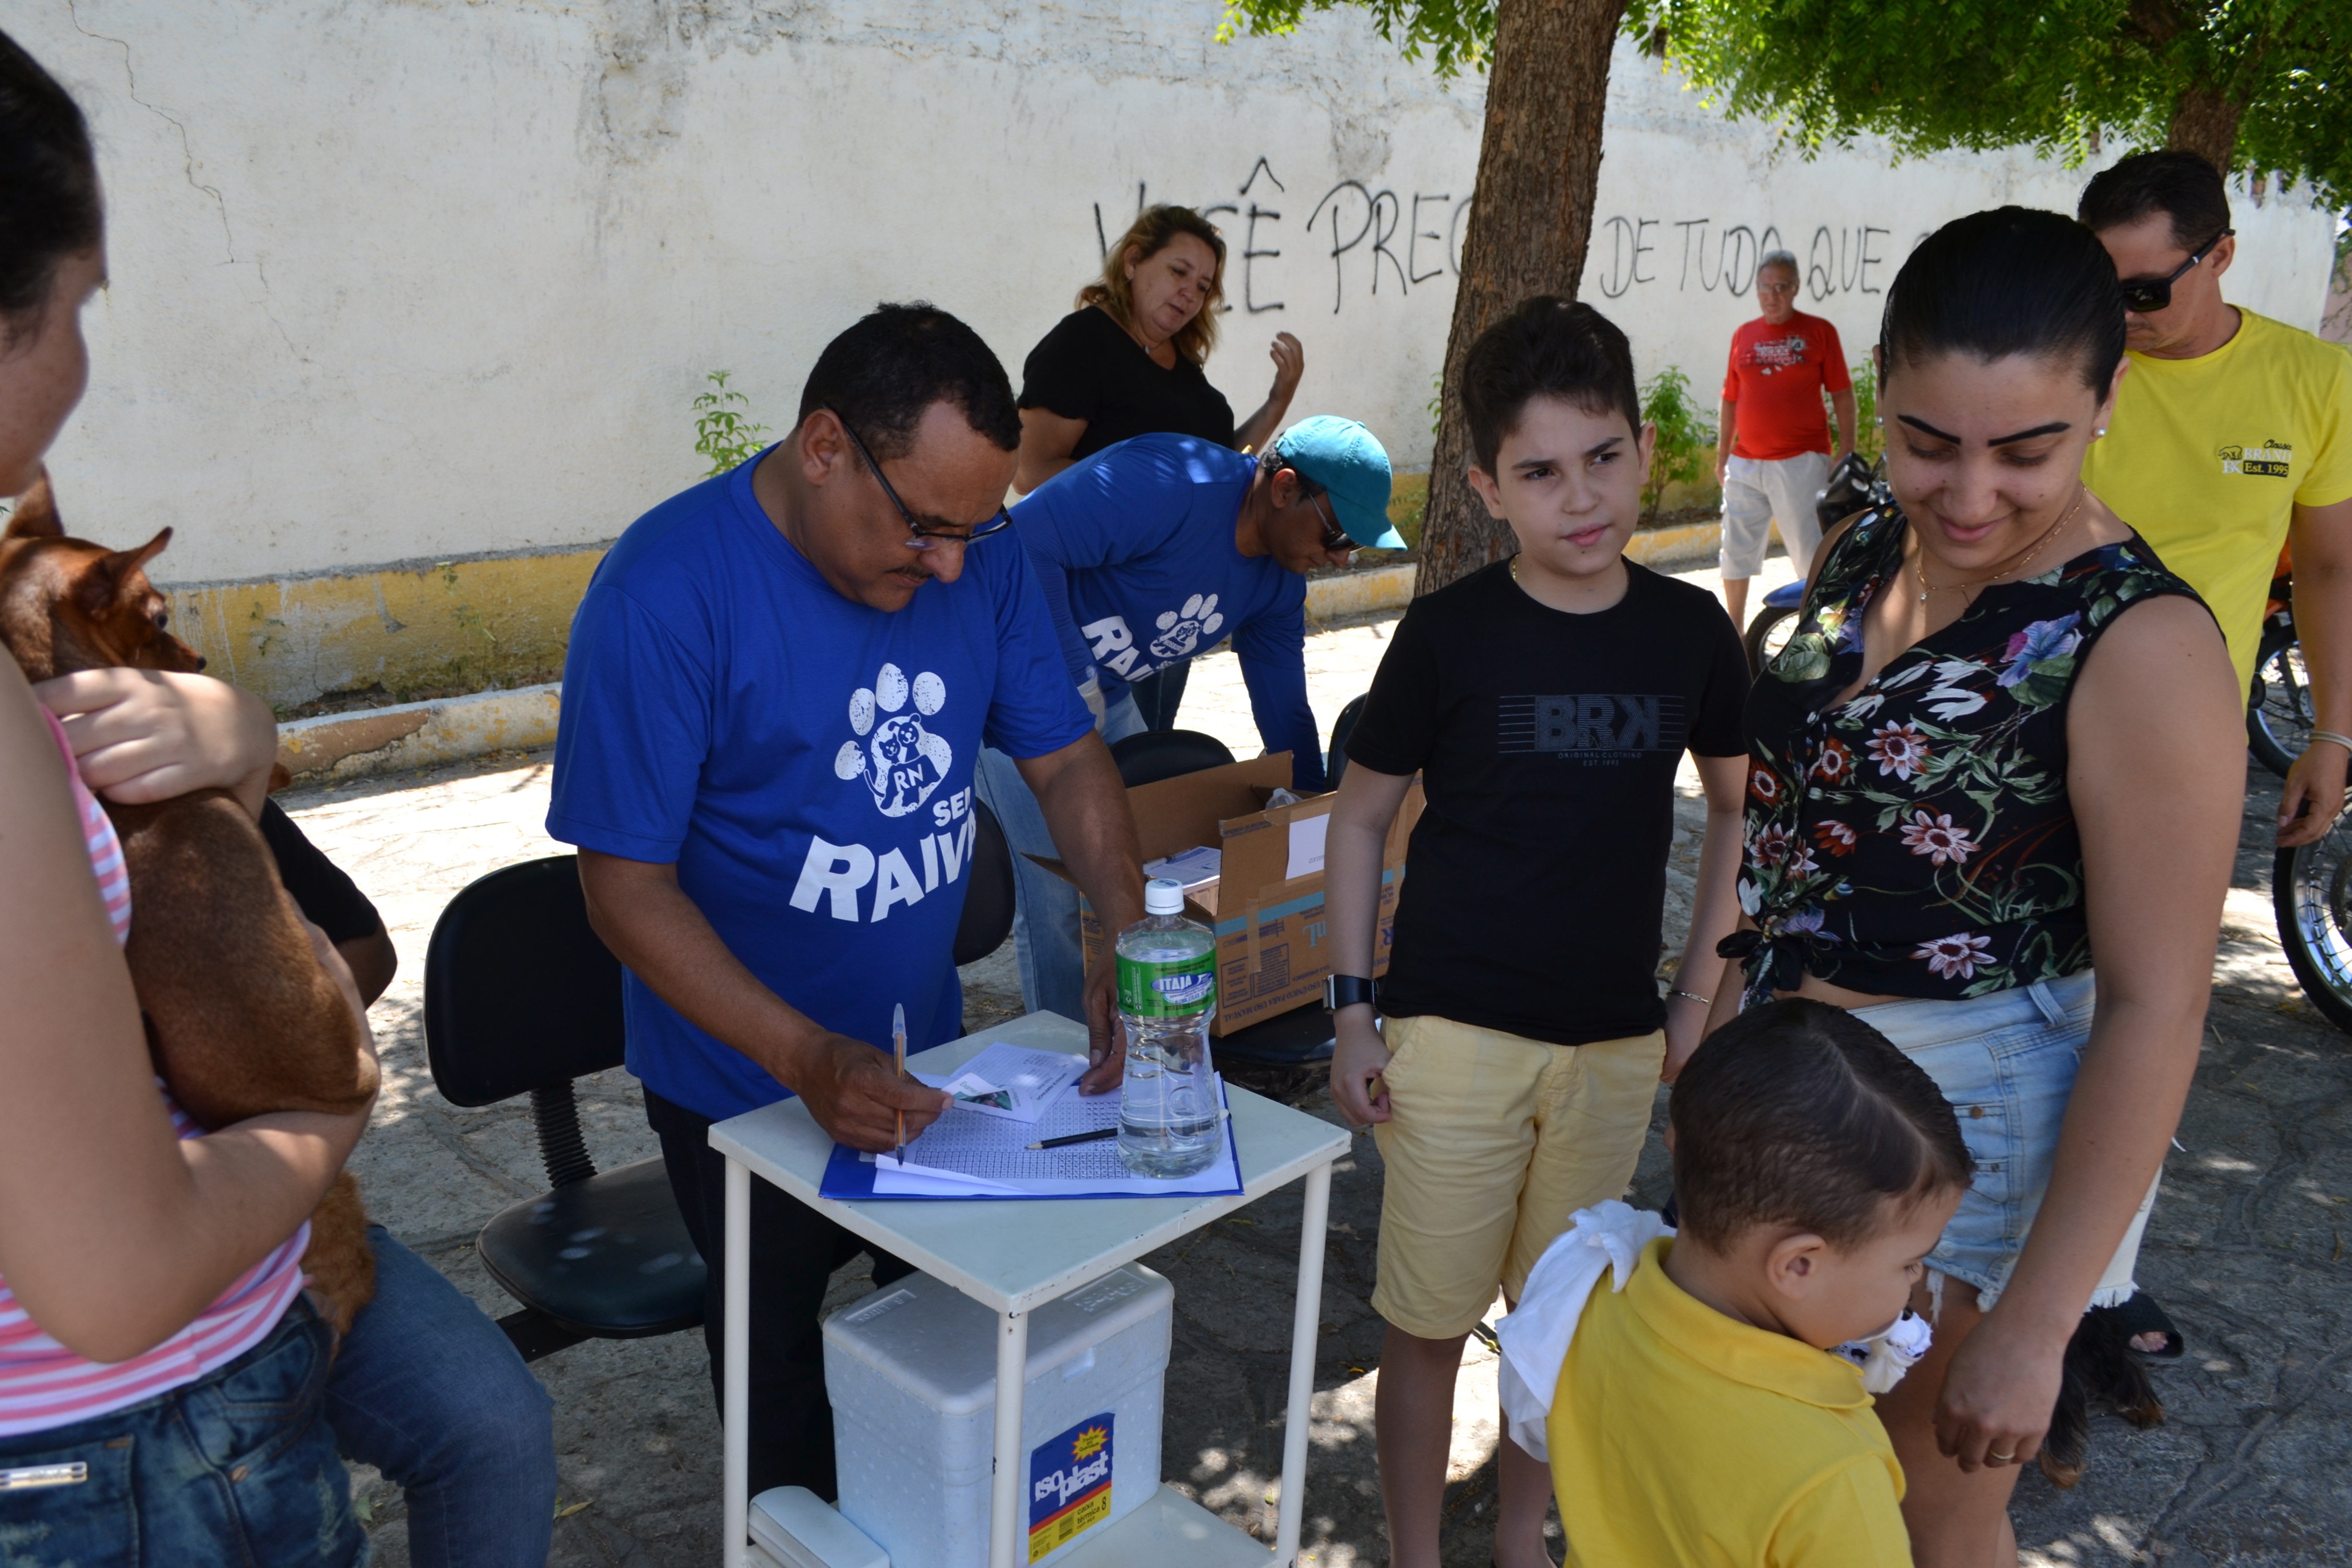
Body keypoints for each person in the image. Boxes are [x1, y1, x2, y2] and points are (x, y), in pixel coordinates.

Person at [547, 302, 1147, 1500]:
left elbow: (1067, 759)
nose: (947, 565)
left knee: (942, 1365)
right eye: (923, 524)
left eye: (974, 531)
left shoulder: (981, 557)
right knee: (779, 1400)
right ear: (824, 444)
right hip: (737, 1085)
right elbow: (622, 887)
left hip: (921, 1058)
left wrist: (1117, 922)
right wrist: (801, 1054)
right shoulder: (664, 590)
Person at [1723, 207, 2242, 1565]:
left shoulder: (2139, 644)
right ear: (1880, 390)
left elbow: (2157, 1008)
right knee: (1793, 1485)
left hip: (1970, 1143)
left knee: (1924, 1517)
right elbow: (1794, 813)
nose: (1966, 496)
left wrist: (2037, 1320)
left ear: (2110, 398)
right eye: (1925, 441)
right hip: (1784, 1085)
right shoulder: (1864, 543)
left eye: (2028, 451)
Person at [0, 31, 371, 1561]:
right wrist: (328, 1106)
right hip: (124, 1460)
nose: (83, 362)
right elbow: (113, 1276)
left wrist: (241, 728)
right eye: (79, 306)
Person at [1321, 297, 1750, 1568]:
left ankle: (1521, 1541)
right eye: (1542, 471)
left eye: (1605, 456)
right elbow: (1358, 824)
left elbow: (1736, 807)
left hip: (1615, 1045)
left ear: (1643, 448)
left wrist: (1697, 1000)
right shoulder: (1449, 634)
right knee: (1426, 1321)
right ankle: (1415, 1553)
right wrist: (1352, 1007)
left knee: (1560, 1324)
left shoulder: (1691, 633)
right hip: (1449, 1037)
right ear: (1486, 485)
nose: (1583, 497)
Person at [1503, 999, 1970, 1565]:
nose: (1917, 1279)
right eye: (1909, 1263)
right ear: (1798, 1266)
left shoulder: (1590, 1293)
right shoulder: (1832, 1478)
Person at [979, 418, 1398, 1022]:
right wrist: (1073, 680)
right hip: (1015, 685)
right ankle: (1065, 1055)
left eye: (1354, 547)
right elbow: (1020, 545)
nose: (1339, 558)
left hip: (1106, 692)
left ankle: (1133, 1036)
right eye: (1336, 534)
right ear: (1283, 488)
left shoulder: (1278, 583)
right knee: (1058, 892)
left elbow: (1283, 710)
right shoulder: (1168, 483)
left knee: (1139, 876)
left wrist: (1311, 810)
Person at [258, 801, 562, 1568]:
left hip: (277, 1216)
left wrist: (278, 1041)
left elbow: (360, 947)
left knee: (493, 1421)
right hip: (101, 1280)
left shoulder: (171, 782)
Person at [2078, 150, 2352, 854]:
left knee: (2156, 963)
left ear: (2220, 255)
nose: (2119, 313)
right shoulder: (2064, 364)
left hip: (2190, 742)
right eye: (2097, 287)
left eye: (2142, 292)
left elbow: (2329, 570)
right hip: (2029, 721)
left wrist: (2332, 735)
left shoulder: (2317, 383)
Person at [1016, 204, 1308, 731]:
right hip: (1093, 602)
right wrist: (1125, 514)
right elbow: (1030, 471)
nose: (1189, 295)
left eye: (1203, 286)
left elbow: (1224, 479)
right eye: (1178, 272)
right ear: (1132, 261)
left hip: (1173, 600)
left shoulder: (1185, 369)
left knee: (1149, 758)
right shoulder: (1085, 343)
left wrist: (1276, 403)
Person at [1714, 250, 1860, 627]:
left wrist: (1847, 449)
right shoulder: (1742, 335)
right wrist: (1722, 456)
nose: (1772, 295)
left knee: (1811, 555)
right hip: (1745, 462)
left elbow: (1842, 394)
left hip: (1800, 462)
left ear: (1795, 288)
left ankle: (1816, 634)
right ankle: (1735, 630)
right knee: (1735, 552)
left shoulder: (1819, 331)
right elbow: (1730, 398)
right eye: (1765, 286)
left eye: (1781, 286)